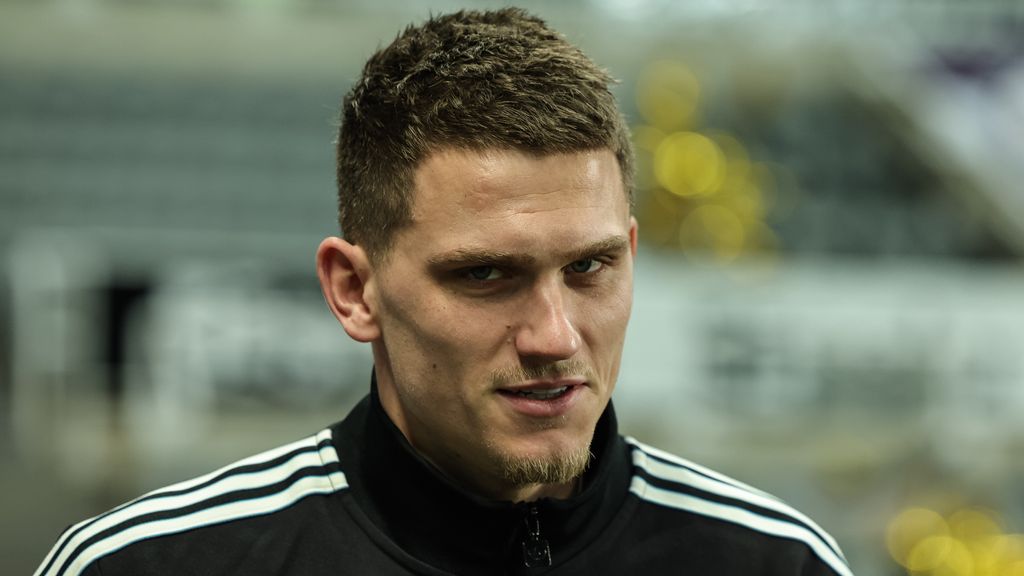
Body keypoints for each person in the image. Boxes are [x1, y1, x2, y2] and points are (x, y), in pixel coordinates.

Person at [36, 8, 852, 576]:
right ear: (354, 290)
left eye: (589, 268)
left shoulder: (779, 562)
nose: (554, 336)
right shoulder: (146, 565)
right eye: (484, 275)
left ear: (630, 254)